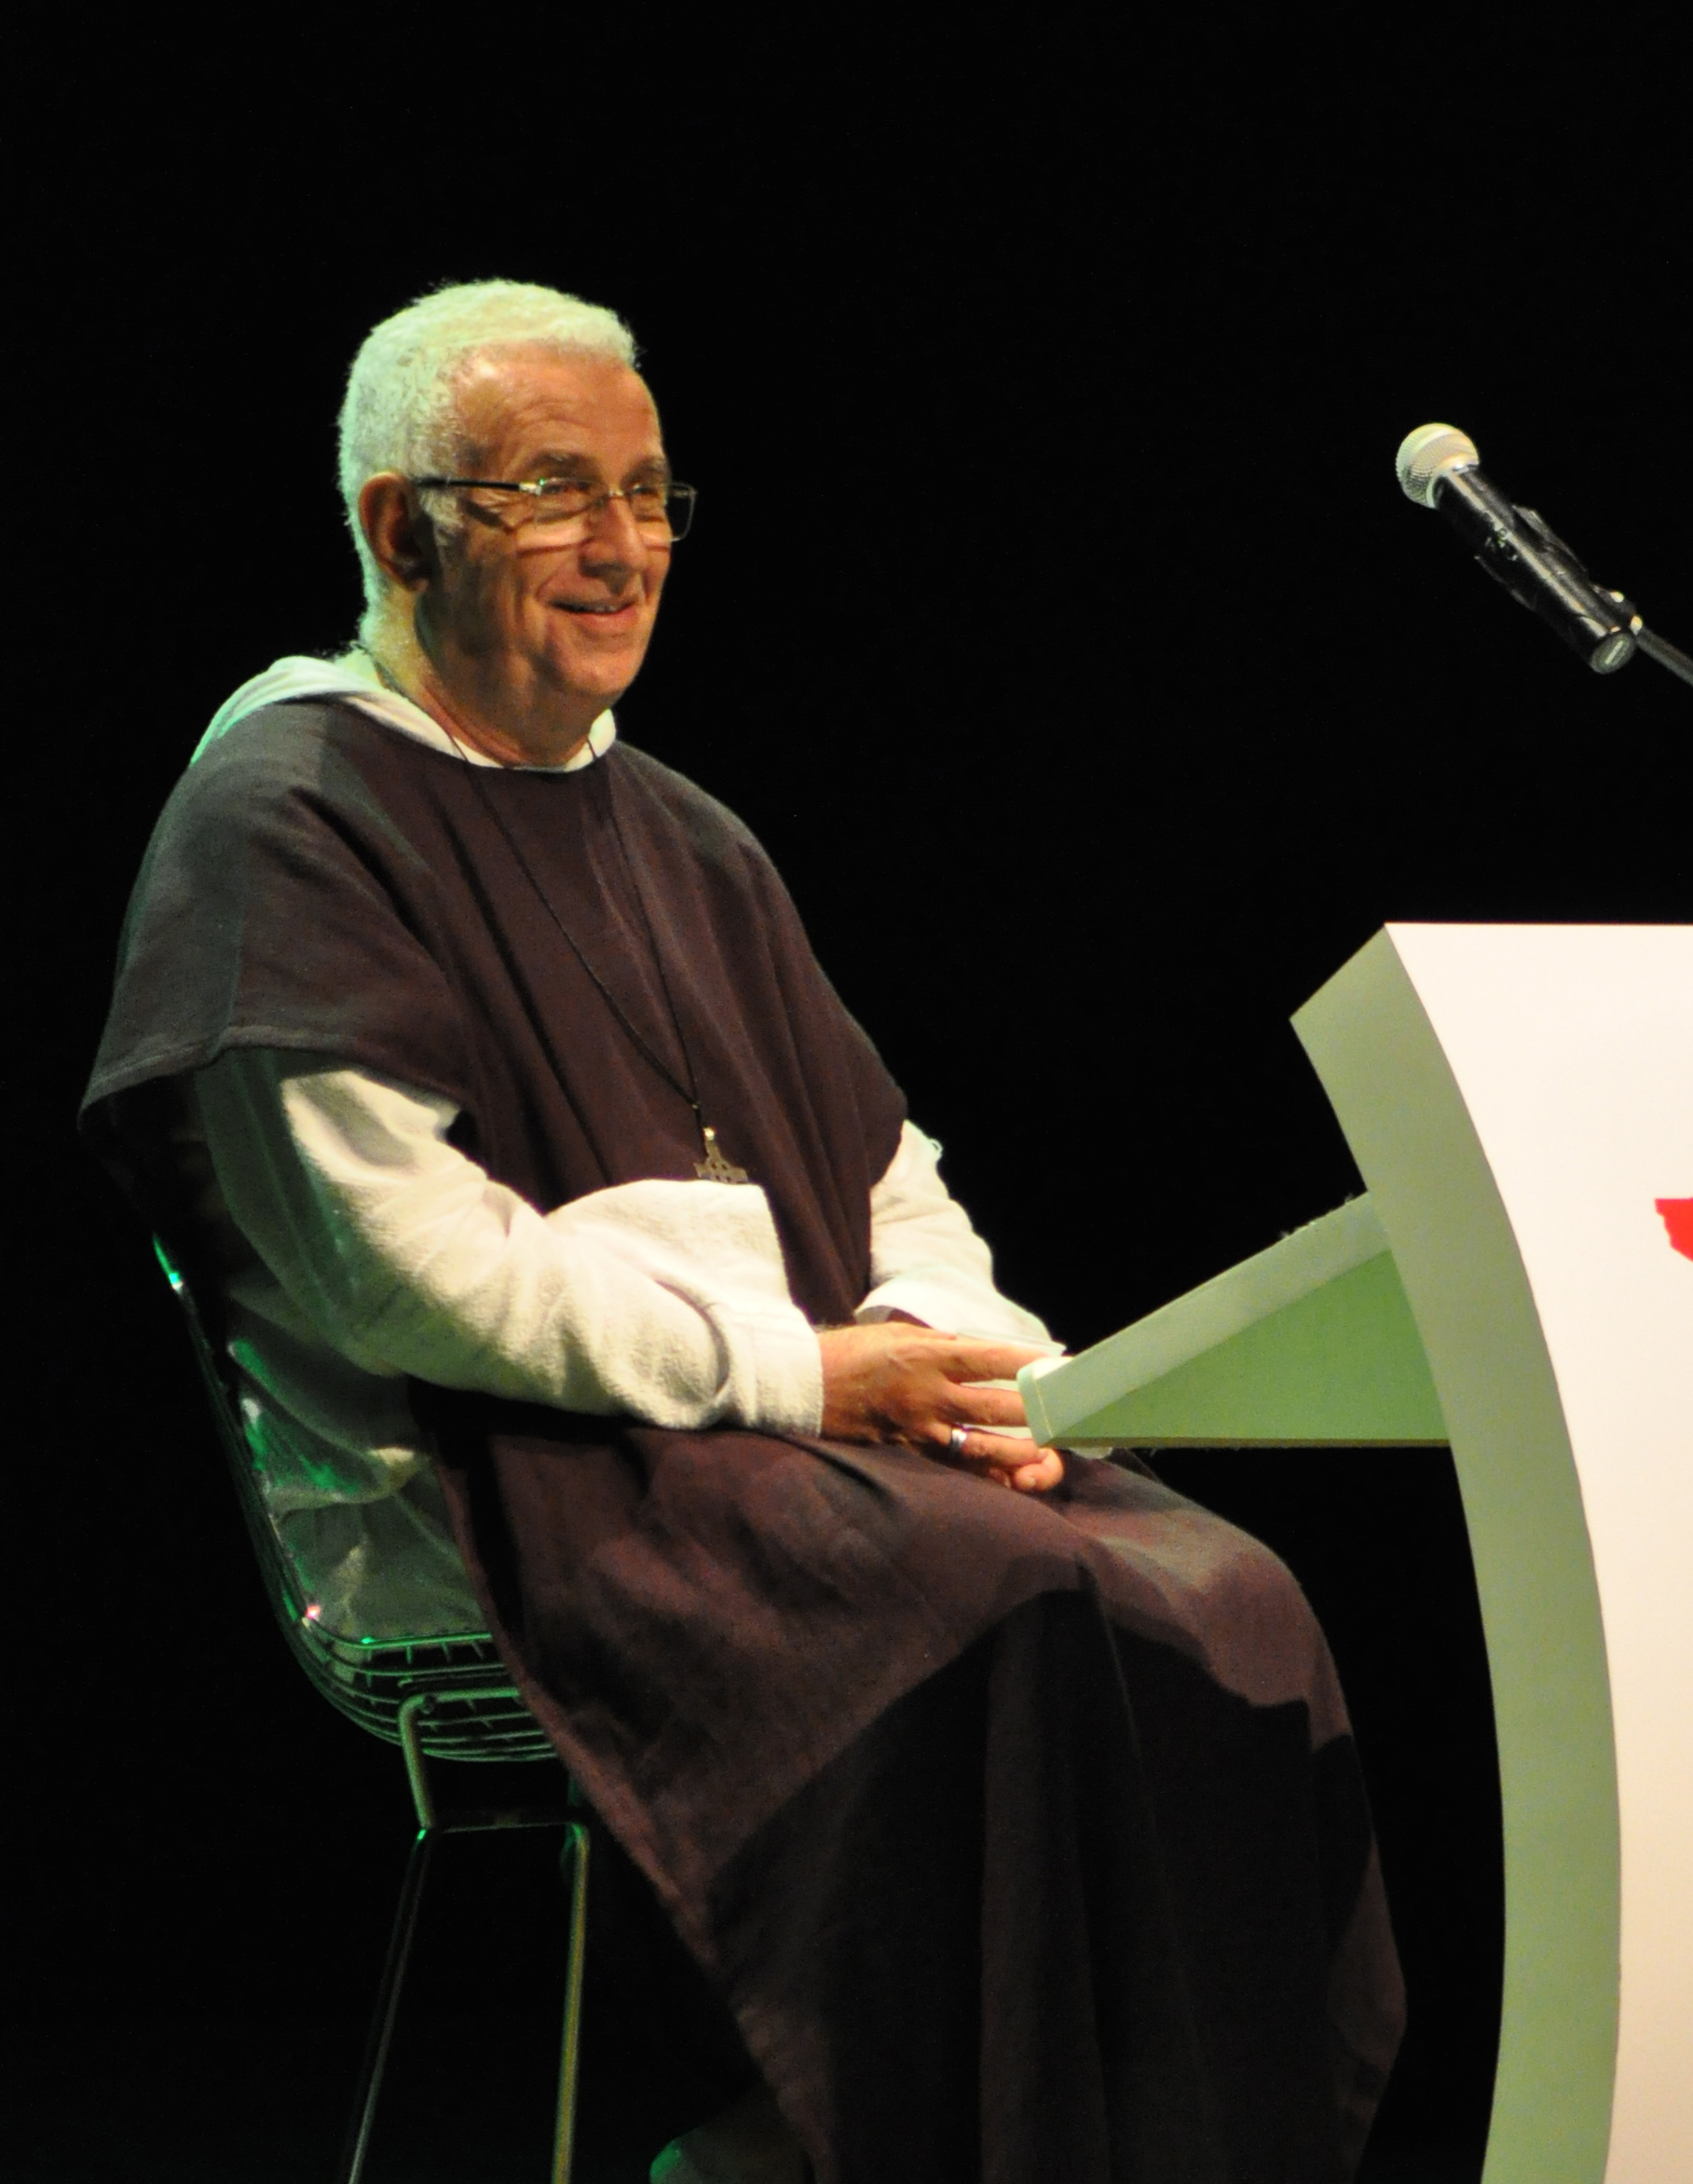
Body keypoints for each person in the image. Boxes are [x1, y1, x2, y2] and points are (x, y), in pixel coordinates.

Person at [84, 280, 1401, 2184]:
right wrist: (804, 1373)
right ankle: (826, 2140)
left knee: (1230, 1600)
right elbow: (402, 1264)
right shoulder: (284, 813)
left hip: (791, 1425)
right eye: (554, 491)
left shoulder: (684, 828)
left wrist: (961, 1362)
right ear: (403, 528)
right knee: (1005, 1602)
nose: (623, 548)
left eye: (648, 493)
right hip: (512, 1467)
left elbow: (886, 1175)